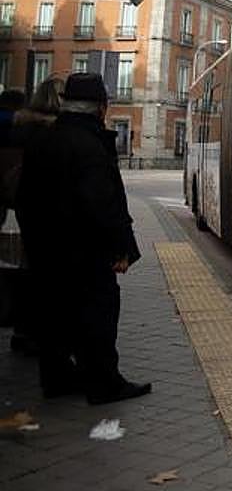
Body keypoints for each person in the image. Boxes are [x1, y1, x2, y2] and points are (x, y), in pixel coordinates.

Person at [16, 73, 150, 404]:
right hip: (85, 252)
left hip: (45, 248)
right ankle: (105, 384)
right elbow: (103, 204)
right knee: (99, 313)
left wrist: (35, 240)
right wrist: (122, 247)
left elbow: (24, 198)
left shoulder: (44, 139)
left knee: (54, 314)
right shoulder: (90, 145)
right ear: (101, 108)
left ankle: (57, 378)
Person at [6, 79, 62, 355]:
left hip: (18, 205)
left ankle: (21, 329)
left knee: (24, 269)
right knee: (44, 273)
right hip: (46, 210)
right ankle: (38, 332)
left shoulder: (17, 127)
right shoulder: (53, 132)